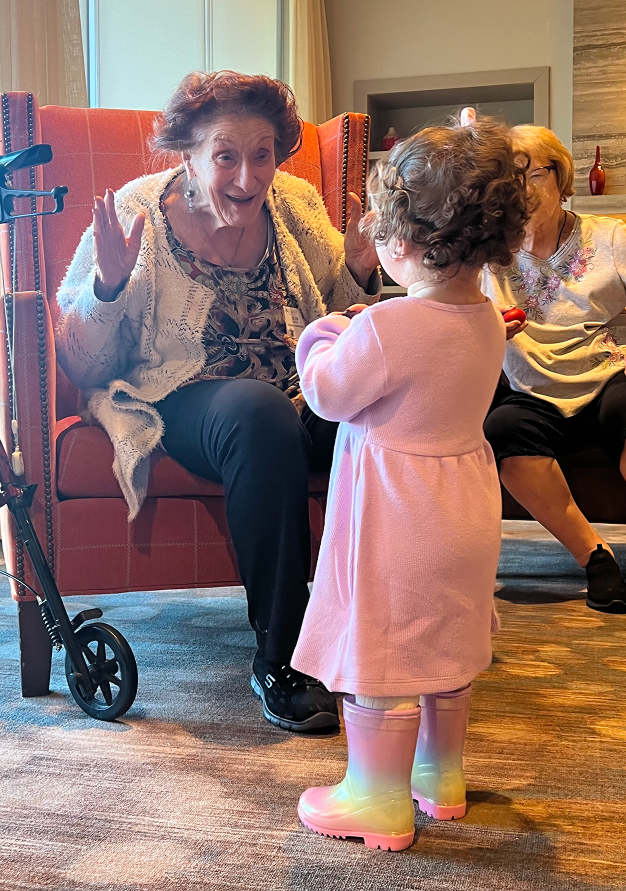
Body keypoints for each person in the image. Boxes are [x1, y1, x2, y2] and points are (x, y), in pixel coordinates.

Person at [55, 71, 381, 733]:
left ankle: (395, 627)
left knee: (384, 402)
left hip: (301, 386)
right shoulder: (135, 213)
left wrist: (360, 269)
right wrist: (108, 288)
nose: (247, 177)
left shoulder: (294, 204)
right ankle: (281, 659)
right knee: (260, 414)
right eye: (225, 156)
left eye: (262, 155)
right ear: (188, 154)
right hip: (187, 396)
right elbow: (82, 365)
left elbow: (342, 312)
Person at [289, 117, 529, 850]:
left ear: (406, 241)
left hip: (395, 515)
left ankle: (375, 798)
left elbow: (329, 393)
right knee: (444, 638)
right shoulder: (487, 320)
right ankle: (439, 776)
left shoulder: (385, 326)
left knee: (384, 649)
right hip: (464, 511)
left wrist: (322, 334)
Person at [479, 122, 626, 612]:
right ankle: (595, 556)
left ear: (560, 179)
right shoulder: (489, 255)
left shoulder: (610, 238)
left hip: (608, 375)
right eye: (507, 178)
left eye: (531, 174)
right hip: (529, 388)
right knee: (503, 429)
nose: (519, 189)